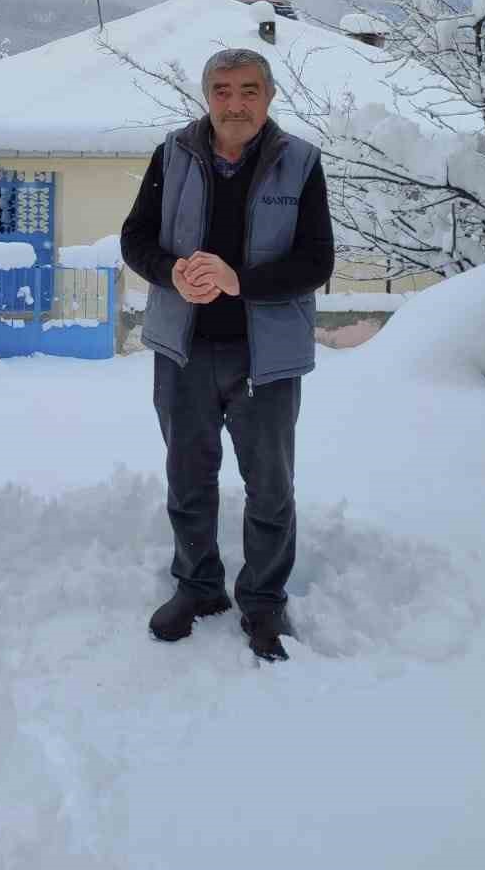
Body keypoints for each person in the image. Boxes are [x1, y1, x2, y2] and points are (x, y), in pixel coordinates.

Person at [120, 47, 334, 662]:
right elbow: (136, 239)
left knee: (270, 486)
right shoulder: (173, 155)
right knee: (188, 479)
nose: (233, 103)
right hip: (183, 351)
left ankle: (264, 601)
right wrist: (171, 272)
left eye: (247, 90)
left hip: (264, 358)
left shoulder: (300, 162)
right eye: (221, 90)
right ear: (206, 94)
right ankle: (198, 587)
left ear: (268, 96)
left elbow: (317, 261)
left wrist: (242, 281)